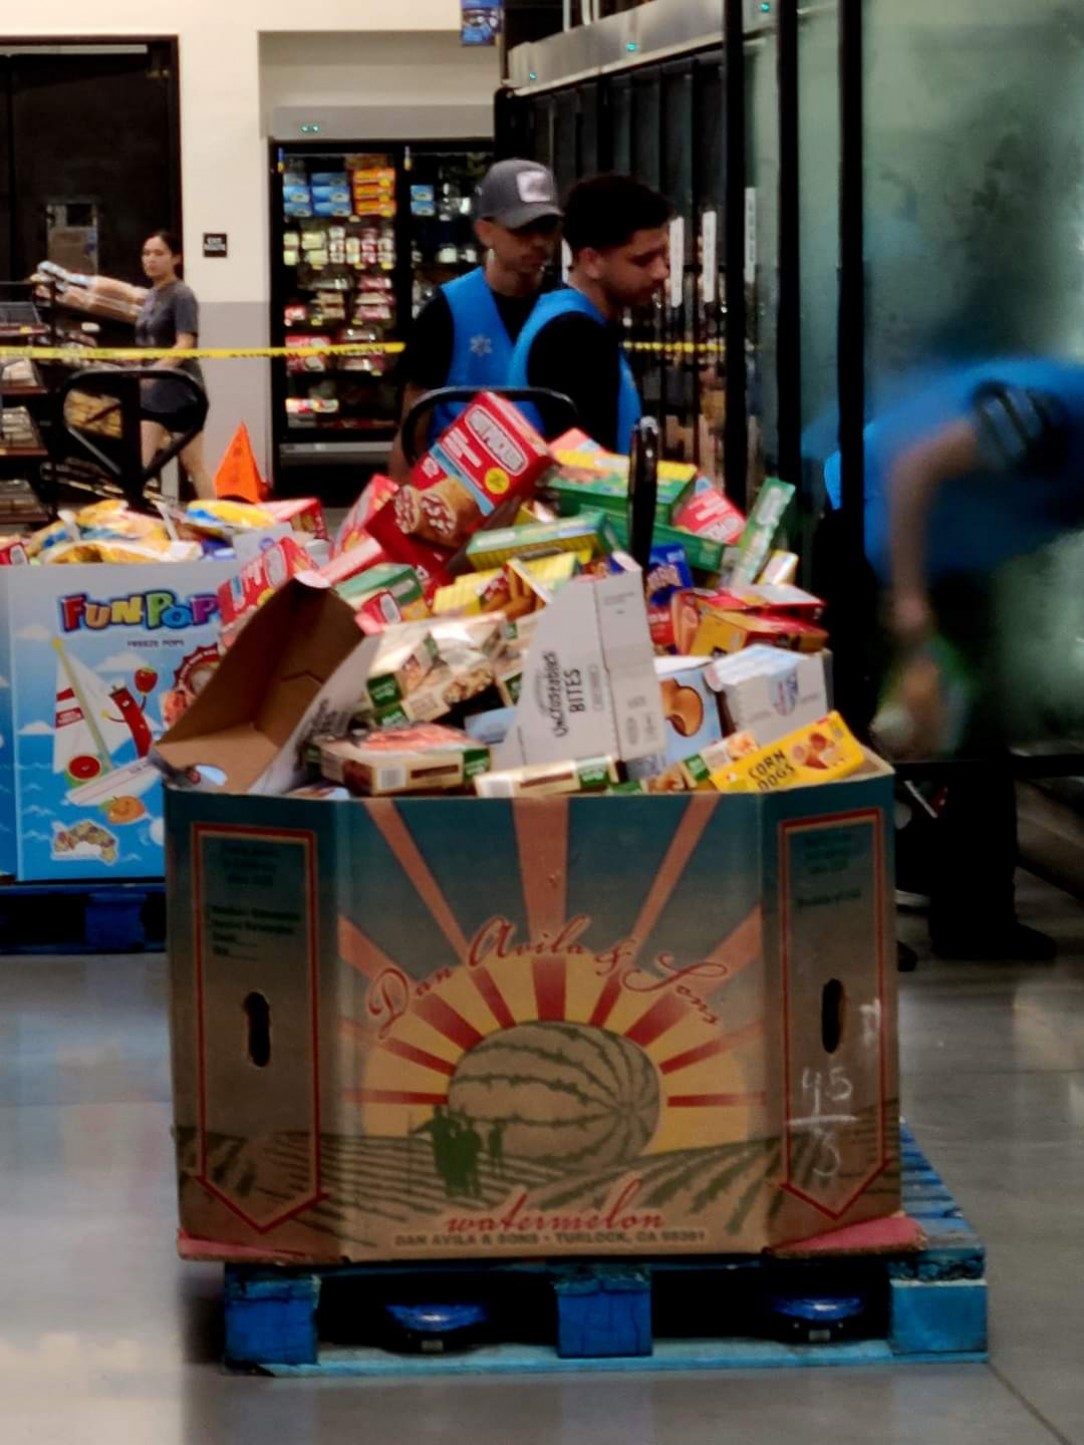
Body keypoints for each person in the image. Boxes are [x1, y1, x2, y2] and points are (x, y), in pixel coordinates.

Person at [823, 358, 1084, 961]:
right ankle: (845, 930)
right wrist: (910, 599)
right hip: (878, 522)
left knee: (969, 729)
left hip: (945, 547)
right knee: (864, 732)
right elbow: (917, 465)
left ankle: (964, 910)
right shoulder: (1050, 413)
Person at [389, 158, 562, 480]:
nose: (538, 242)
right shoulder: (446, 311)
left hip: (548, 498)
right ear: (485, 231)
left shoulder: (568, 311)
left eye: (547, 228)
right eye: (522, 229)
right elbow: (412, 428)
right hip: (458, 493)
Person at [507, 174, 672, 454]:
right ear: (592, 261)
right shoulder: (575, 336)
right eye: (642, 260)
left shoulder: (562, 317)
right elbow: (589, 479)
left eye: (664, 255)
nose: (661, 272)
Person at [136, 230, 214, 498]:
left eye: (158, 253)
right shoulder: (150, 296)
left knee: (193, 465)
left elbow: (185, 343)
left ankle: (218, 523)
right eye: (146, 253)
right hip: (151, 397)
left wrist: (156, 370)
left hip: (182, 394)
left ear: (176, 258)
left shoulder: (182, 295)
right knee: (141, 465)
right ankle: (136, 524)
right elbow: (148, 342)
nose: (151, 259)